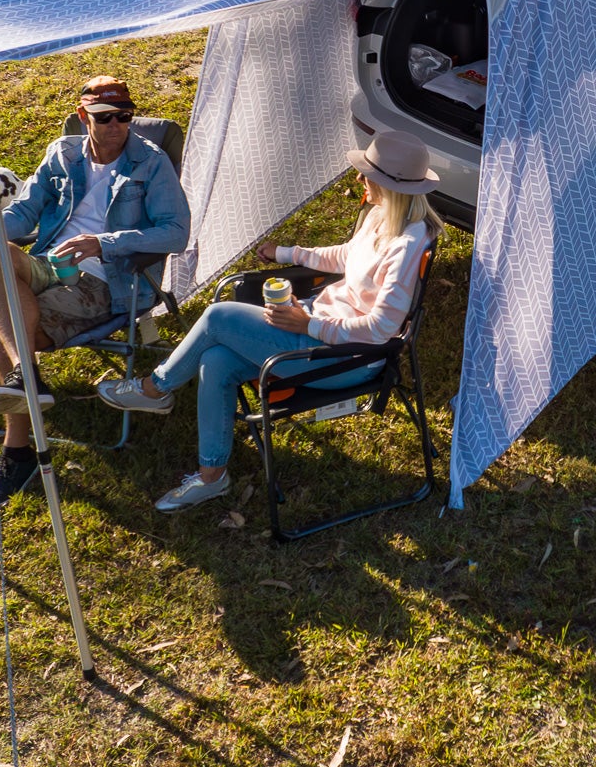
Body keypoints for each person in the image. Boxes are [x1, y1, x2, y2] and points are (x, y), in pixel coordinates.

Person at [97, 130, 442, 512]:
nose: (359, 179)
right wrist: (286, 252)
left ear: (388, 184)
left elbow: (381, 330)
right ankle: (212, 477)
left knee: (218, 316)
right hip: (321, 327)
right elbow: (347, 256)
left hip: (348, 358)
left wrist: (307, 325)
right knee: (217, 362)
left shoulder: (408, 245)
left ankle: (155, 388)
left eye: (366, 174)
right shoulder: (381, 216)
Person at [0, 75, 189, 512]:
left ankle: (17, 453)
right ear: (83, 117)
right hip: (49, 263)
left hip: (107, 278)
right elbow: (22, 215)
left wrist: (105, 242)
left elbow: (176, 232)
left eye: (125, 116)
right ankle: (28, 376)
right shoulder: (62, 153)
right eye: (105, 117)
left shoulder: (150, 162)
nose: (118, 125)